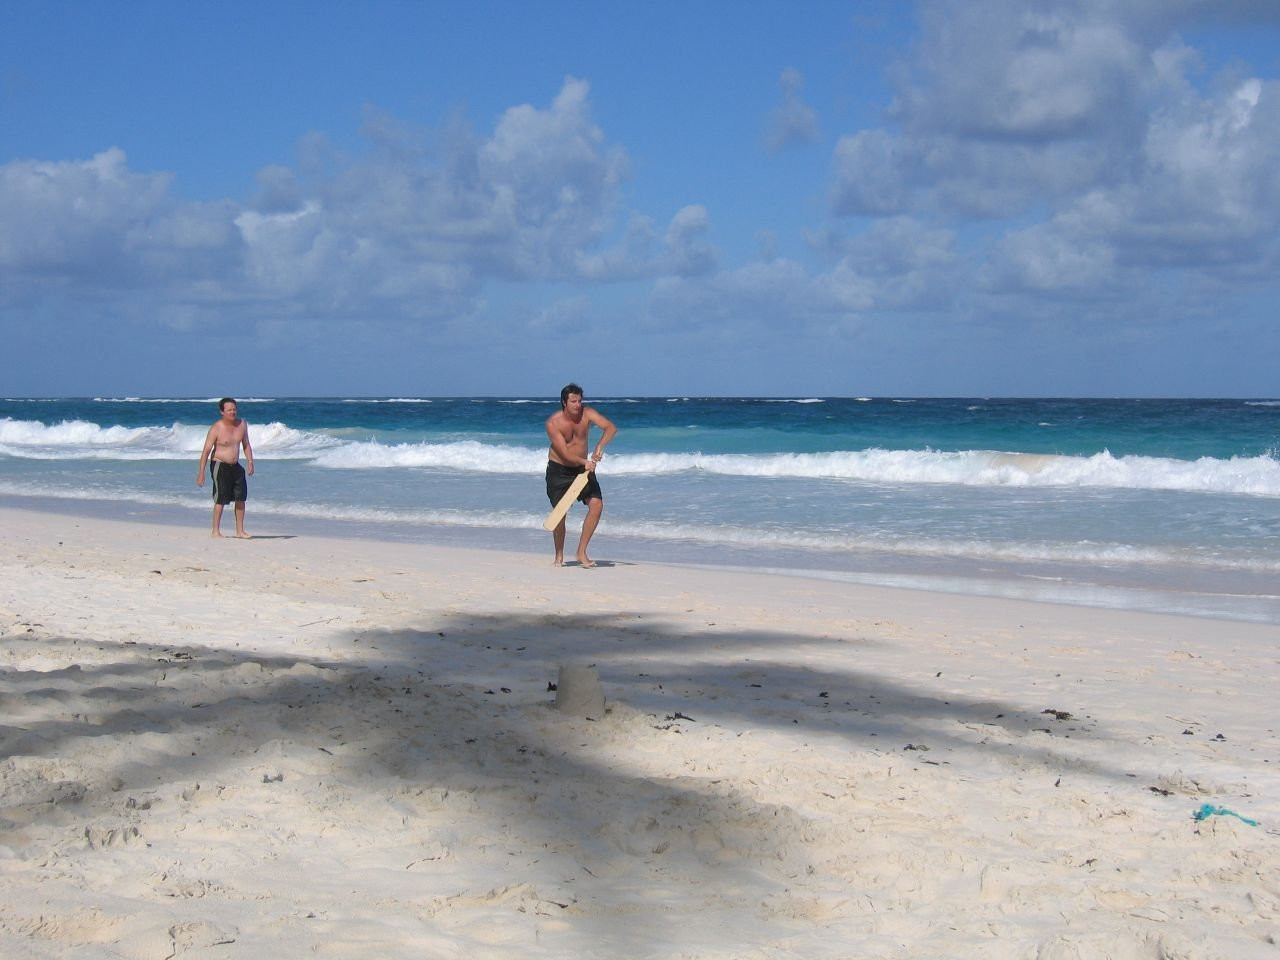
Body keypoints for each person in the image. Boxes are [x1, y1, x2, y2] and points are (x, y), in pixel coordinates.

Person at [545, 383, 617, 568]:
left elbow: (610, 428)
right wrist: (585, 462)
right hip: (559, 471)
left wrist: (599, 448)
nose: (578, 404)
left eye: (579, 400)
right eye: (573, 401)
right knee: (560, 515)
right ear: (564, 402)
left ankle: (581, 552)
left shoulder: (588, 413)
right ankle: (559, 555)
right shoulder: (553, 423)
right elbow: (563, 453)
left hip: (581, 471)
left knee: (596, 505)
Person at [196, 397, 254, 538]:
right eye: (229, 410)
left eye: (234, 409)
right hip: (219, 465)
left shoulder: (242, 424)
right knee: (220, 498)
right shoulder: (216, 428)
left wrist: (250, 462)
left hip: (236, 466)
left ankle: (240, 531)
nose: (232, 412)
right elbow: (206, 451)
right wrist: (201, 473)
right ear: (222, 412)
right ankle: (215, 531)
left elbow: (246, 444)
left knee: (241, 498)